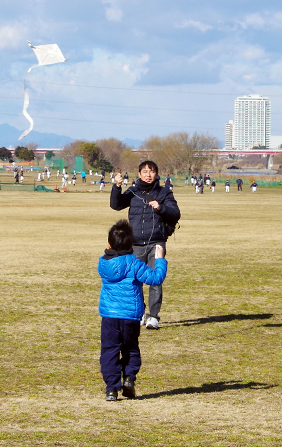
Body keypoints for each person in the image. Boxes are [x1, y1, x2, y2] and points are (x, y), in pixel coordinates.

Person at [98, 219, 168, 401]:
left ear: (108, 244)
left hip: (109, 316)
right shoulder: (134, 264)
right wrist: (160, 260)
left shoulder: (103, 264)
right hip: (130, 316)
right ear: (131, 244)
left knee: (109, 350)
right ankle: (129, 378)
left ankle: (111, 389)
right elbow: (155, 278)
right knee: (130, 349)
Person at [109, 161, 180, 330]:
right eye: (145, 171)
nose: (148, 174)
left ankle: (153, 317)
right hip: (135, 244)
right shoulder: (133, 191)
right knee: (135, 281)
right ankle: (139, 313)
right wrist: (117, 186)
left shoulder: (164, 192)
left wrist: (161, 207)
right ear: (139, 174)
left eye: (152, 171)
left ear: (157, 174)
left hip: (156, 242)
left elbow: (176, 213)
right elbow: (116, 205)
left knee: (155, 280)